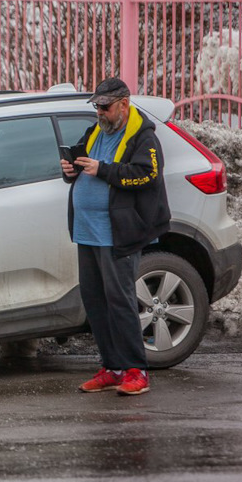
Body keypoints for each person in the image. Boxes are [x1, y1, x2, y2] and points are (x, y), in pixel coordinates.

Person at [60, 77, 170, 396]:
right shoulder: (96, 131)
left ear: (123, 103)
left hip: (116, 233)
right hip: (87, 231)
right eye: (96, 106)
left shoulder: (142, 136)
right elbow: (82, 161)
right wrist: (70, 170)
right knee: (96, 302)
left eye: (105, 107)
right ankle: (112, 367)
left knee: (120, 301)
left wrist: (103, 170)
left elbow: (147, 175)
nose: (100, 113)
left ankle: (137, 370)